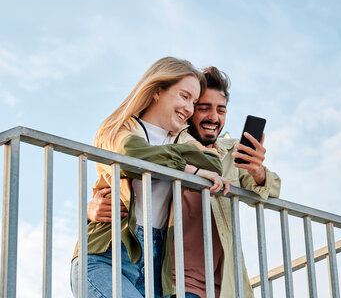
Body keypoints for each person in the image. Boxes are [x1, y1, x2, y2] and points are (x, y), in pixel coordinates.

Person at [88, 66, 281, 298]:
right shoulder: (151, 135)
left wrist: (258, 171)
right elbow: (126, 166)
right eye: (202, 107)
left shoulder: (228, 152)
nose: (213, 117)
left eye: (221, 110)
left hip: (216, 281)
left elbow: (268, 188)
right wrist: (89, 210)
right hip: (171, 277)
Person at [71, 57, 231, 298]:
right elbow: (132, 154)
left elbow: (212, 162)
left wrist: (171, 161)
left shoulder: (184, 139)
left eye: (194, 102)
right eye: (184, 96)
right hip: (108, 255)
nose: (189, 109)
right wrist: (188, 168)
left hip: (156, 268)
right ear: (158, 91)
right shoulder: (118, 128)